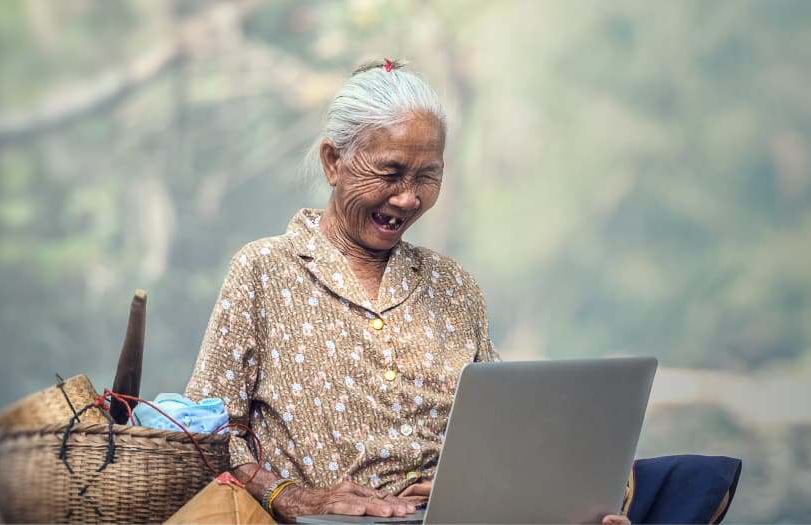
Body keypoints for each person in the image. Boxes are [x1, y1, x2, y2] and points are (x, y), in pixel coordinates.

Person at [181, 59, 631, 524]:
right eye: (391, 173)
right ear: (334, 162)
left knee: (683, 478)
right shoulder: (264, 271)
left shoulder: (453, 285)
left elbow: (502, 431)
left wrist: (476, 483)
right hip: (330, 524)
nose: (408, 198)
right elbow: (203, 434)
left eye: (426, 176)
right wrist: (292, 498)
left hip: (457, 517)